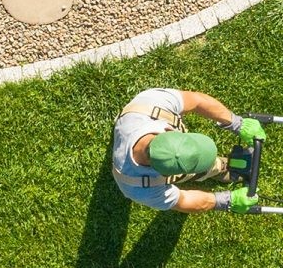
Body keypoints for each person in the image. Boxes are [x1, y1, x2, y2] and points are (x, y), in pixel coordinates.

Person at [111, 87, 267, 213]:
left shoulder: (151, 103)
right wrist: (224, 201)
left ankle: (217, 167)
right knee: (208, 167)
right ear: (167, 175)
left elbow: (197, 101)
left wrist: (236, 123)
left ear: (169, 131)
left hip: (133, 123)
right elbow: (183, 201)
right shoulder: (138, 187)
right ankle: (218, 168)